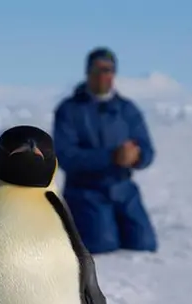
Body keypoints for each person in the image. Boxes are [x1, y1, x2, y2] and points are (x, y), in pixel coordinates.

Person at [52, 47, 158, 254]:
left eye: (108, 70)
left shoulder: (127, 110)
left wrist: (137, 156)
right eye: (98, 70)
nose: (103, 75)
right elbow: (66, 156)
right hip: (86, 192)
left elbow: (147, 149)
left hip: (123, 189)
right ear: (88, 72)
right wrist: (111, 157)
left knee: (144, 244)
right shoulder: (70, 110)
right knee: (103, 245)